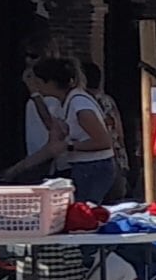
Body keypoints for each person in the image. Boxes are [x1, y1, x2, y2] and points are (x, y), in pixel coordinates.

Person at [8, 57, 118, 203]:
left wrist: (70, 146)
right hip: (83, 166)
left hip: (95, 167)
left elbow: (104, 142)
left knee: (84, 213)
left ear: (45, 82)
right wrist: (17, 169)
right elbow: (53, 138)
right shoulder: (65, 102)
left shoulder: (79, 105)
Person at [80, 60, 130, 203]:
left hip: (98, 157)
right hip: (116, 156)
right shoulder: (108, 100)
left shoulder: (86, 102)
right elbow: (119, 131)